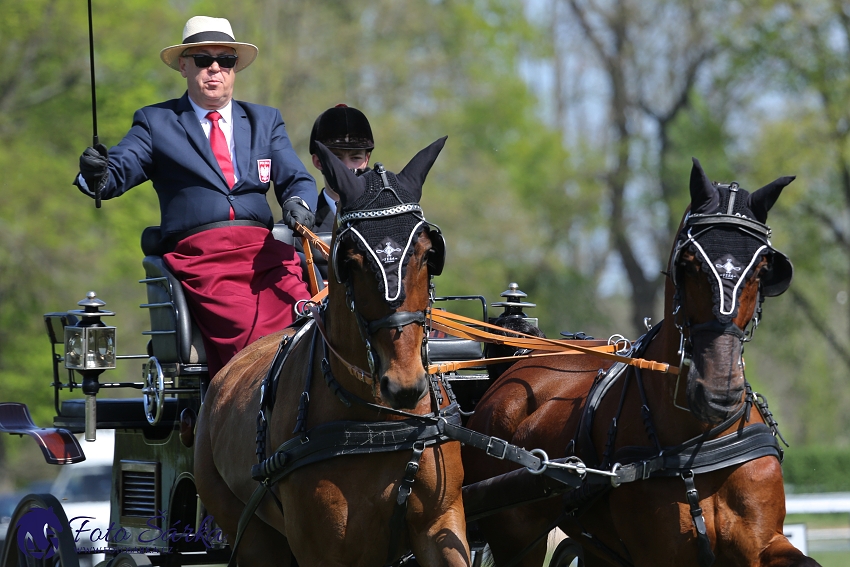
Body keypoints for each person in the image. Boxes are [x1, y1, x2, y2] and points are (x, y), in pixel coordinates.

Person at [74, 15, 318, 378]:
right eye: (203, 60)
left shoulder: (265, 120)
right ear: (184, 66)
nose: (215, 69)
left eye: (226, 61)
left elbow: (296, 178)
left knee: (313, 315)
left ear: (235, 70)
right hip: (205, 259)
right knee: (252, 335)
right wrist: (94, 172)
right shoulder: (156, 123)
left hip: (265, 253)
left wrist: (298, 204)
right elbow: (113, 176)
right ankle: (255, 420)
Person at [308, 104, 374, 234]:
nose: (346, 167)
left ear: (366, 160)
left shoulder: (388, 220)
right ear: (318, 162)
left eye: (355, 158)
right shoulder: (299, 230)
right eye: (336, 159)